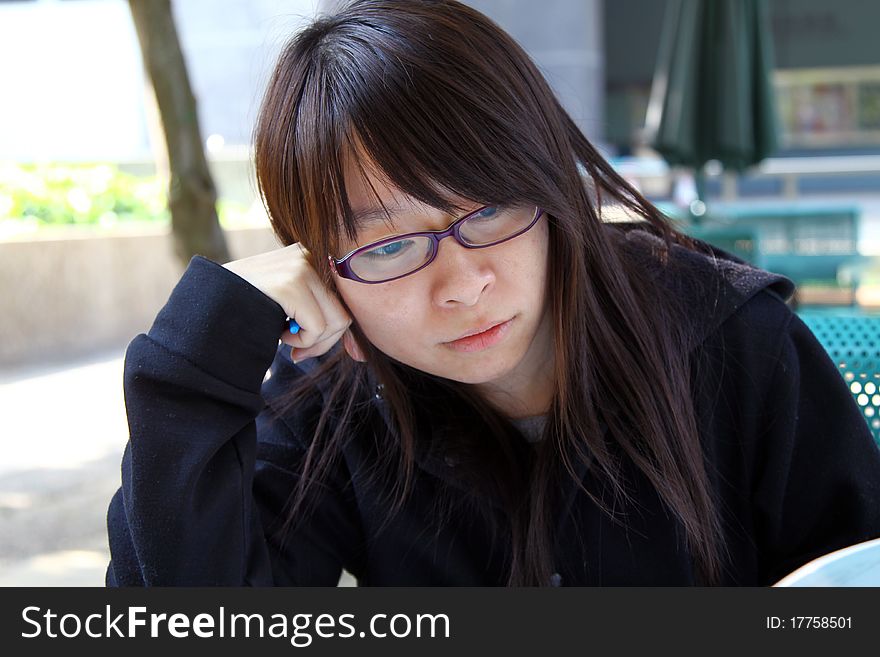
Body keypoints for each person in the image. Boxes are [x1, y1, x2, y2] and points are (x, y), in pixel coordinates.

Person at [105, 0, 880, 587]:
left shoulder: (736, 342)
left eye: (489, 208)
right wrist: (200, 354)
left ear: (550, 183)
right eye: (389, 244)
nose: (463, 284)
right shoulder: (333, 394)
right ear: (320, 263)